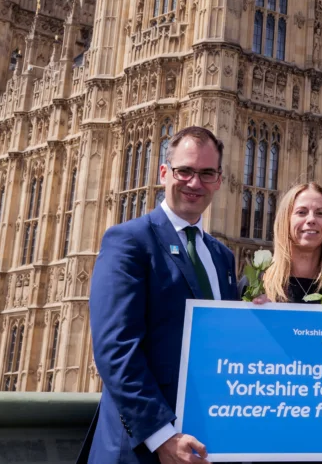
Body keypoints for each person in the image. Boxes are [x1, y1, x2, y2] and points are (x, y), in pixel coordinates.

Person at [83, 126, 241, 464]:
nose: (194, 183)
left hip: (205, 443)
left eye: (206, 173)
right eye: (185, 171)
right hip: (140, 448)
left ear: (218, 180)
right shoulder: (129, 241)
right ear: (164, 172)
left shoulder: (222, 257)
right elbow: (115, 349)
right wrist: (162, 435)